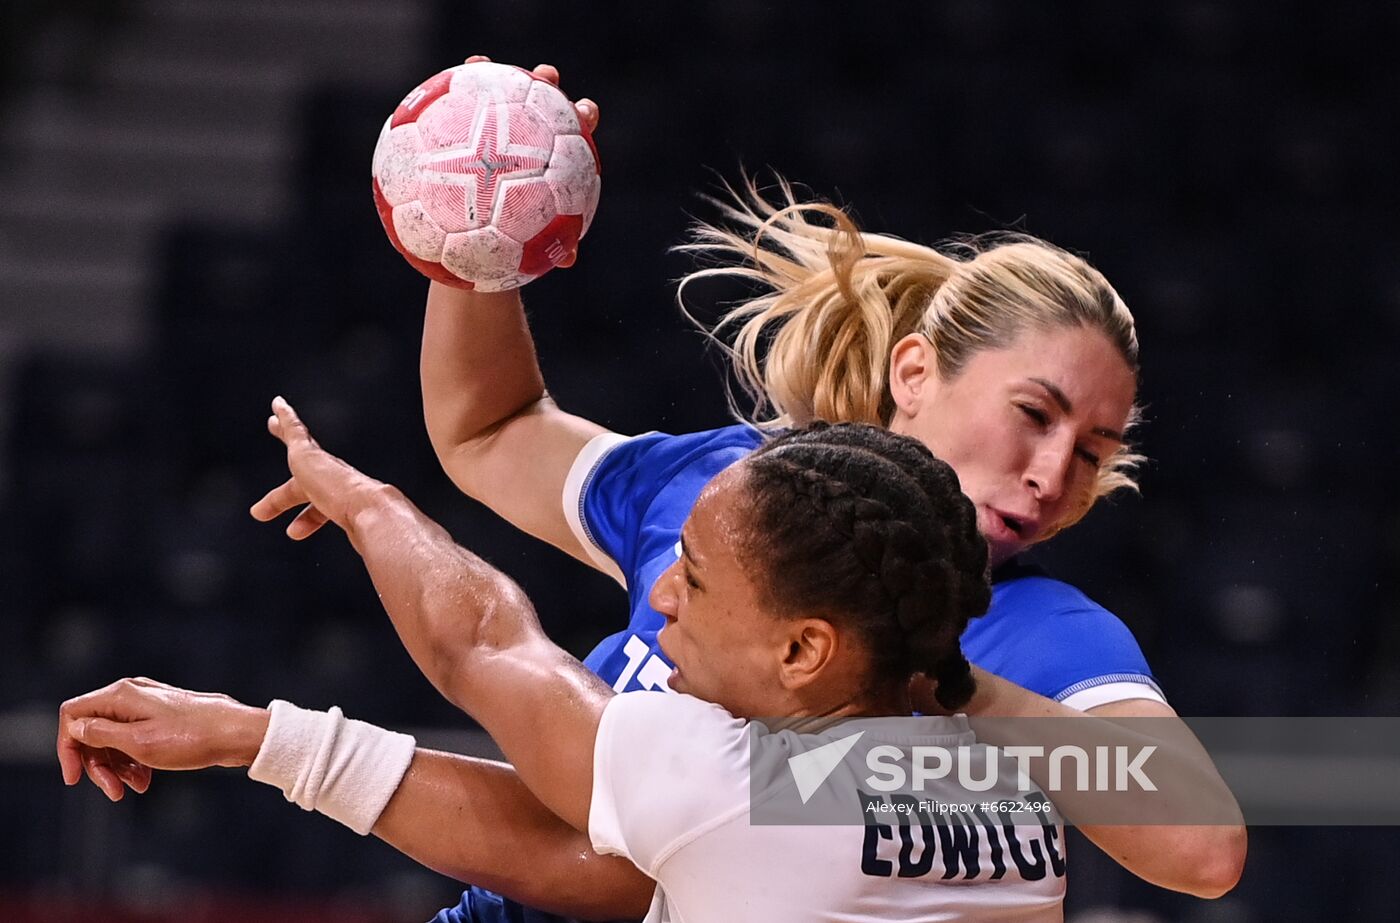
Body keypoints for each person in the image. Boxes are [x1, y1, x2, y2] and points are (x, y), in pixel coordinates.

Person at [413, 61, 1244, 920]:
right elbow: (489, 430)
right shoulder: (731, 492)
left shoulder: (1038, 629)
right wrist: (476, 237)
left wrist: (953, 685)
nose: (1053, 475)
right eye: (1034, 415)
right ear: (915, 372)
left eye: (1093, 453)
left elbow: (1205, 848)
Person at [59, 406, 1078, 921]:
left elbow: (481, 643)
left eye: (694, 578)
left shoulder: (732, 784)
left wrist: (366, 504)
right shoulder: (1019, 795)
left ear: (804, 649)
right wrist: (256, 736)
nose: (662, 598)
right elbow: (583, 864)